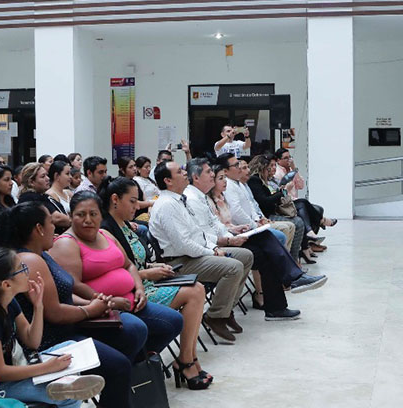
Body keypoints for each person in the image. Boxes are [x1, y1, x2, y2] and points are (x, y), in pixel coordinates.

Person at [0, 201, 143, 408]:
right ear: (38, 229)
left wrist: (93, 302)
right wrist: (89, 310)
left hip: (68, 328)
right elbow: (54, 312)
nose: (54, 227)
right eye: (50, 222)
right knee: (119, 367)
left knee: (131, 333)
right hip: (48, 342)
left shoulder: (41, 254)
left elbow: (60, 295)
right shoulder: (30, 260)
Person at [100, 178, 212, 389]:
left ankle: (189, 358)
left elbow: (134, 261)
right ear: (115, 199)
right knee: (195, 293)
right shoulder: (106, 230)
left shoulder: (123, 224)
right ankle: (187, 361)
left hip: (146, 283)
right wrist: (148, 273)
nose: (137, 207)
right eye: (132, 201)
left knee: (197, 288)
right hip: (134, 291)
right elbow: (117, 274)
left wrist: (153, 265)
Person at [0, 247, 105, 406]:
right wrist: (47, 368)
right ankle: (66, 387)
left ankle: (65, 381)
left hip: (14, 368)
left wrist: (38, 306)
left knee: (71, 346)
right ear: (6, 284)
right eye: (22, 269)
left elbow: (32, 341)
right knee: (66, 395)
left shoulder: (9, 302)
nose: (27, 272)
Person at [50, 191, 183, 355]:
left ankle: (141, 360)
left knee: (174, 321)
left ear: (101, 215)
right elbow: (74, 285)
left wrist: (139, 288)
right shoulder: (66, 244)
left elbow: (129, 265)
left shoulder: (105, 234)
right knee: (136, 330)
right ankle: (136, 362)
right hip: (102, 311)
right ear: (71, 216)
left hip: (132, 301)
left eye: (93, 214)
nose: (88, 220)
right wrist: (110, 301)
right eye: (81, 215)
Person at [191, 160, 326, 319]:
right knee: (266, 248)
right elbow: (202, 234)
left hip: (227, 237)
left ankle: (281, 298)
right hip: (216, 246)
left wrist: (235, 229)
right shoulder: (194, 199)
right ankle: (289, 284)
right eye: (210, 173)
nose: (213, 176)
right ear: (195, 178)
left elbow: (220, 223)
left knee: (267, 242)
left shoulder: (206, 196)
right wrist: (229, 239)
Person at [148, 160, 252, 342]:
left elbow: (199, 234)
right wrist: (212, 253)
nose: (184, 173)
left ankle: (226, 310)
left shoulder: (181, 200)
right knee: (233, 267)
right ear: (168, 181)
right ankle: (215, 316)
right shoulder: (167, 205)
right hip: (180, 261)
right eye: (179, 172)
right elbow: (184, 245)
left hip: (194, 254)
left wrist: (214, 247)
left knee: (246, 256)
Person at [219, 154, 296, 254]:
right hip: (244, 227)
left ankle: (287, 262)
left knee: (292, 223)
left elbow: (252, 204)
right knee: (283, 232)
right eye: (236, 165)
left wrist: (259, 218)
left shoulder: (241, 184)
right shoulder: (233, 184)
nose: (271, 170)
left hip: (256, 221)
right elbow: (236, 211)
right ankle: (283, 264)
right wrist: (254, 224)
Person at [18, 163, 70, 233]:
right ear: (31, 182)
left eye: (47, 175)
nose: (48, 178)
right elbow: (56, 218)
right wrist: (75, 222)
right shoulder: (29, 198)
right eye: (43, 176)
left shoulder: (42, 195)